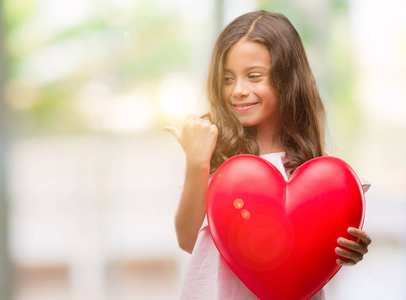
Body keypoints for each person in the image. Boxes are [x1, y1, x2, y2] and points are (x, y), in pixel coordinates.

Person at [164, 10, 372, 300]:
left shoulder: (317, 172)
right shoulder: (216, 153)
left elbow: (318, 252)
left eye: (254, 76)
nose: (238, 90)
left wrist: (349, 250)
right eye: (227, 78)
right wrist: (196, 162)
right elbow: (187, 240)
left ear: (287, 79)